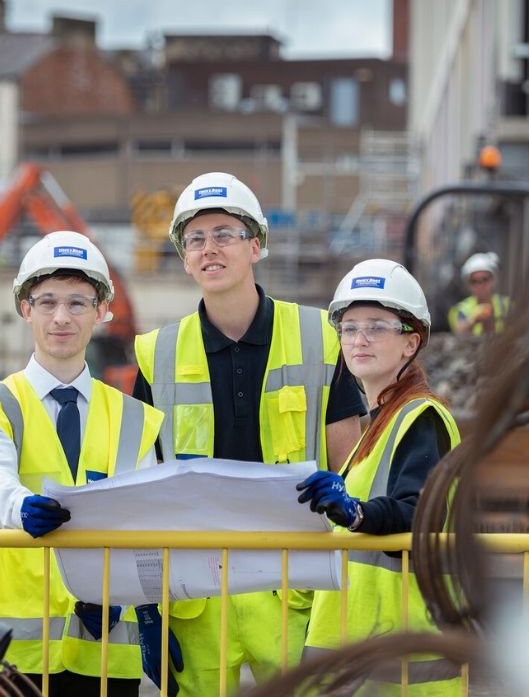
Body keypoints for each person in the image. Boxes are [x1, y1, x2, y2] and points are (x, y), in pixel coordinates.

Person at [130, 172, 366, 695]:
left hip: (292, 586)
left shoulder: (320, 338)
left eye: (224, 234)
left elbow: (352, 469)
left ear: (255, 246)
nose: (209, 249)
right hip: (195, 593)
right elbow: (142, 485)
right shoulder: (156, 353)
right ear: (184, 256)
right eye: (195, 239)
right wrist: (147, 602)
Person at [0, 231, 164, 697]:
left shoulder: (134, 419)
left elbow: (142, 521)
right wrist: (23, 507)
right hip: (8, 655)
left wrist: (136, 605)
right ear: (25, 309)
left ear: (102, 311)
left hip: (103, 651)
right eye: (47, 303)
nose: (61, 318)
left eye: (77, 303)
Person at [297, 258, 462, 696]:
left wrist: (355, 514)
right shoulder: (377, 428)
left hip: (395, 657)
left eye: (376, 326)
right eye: (349, 328)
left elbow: (416, 511)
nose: (359, 339)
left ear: (411, 343)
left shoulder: (422, 419)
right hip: (356, 647)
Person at [449, 251, 510, 336]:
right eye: (474, 281)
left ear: (493, 280)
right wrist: (472, 321)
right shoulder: (461, 310)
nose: (480, 285)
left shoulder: (507, 306)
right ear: (468, 284)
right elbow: (459, 333)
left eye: (484, 279)